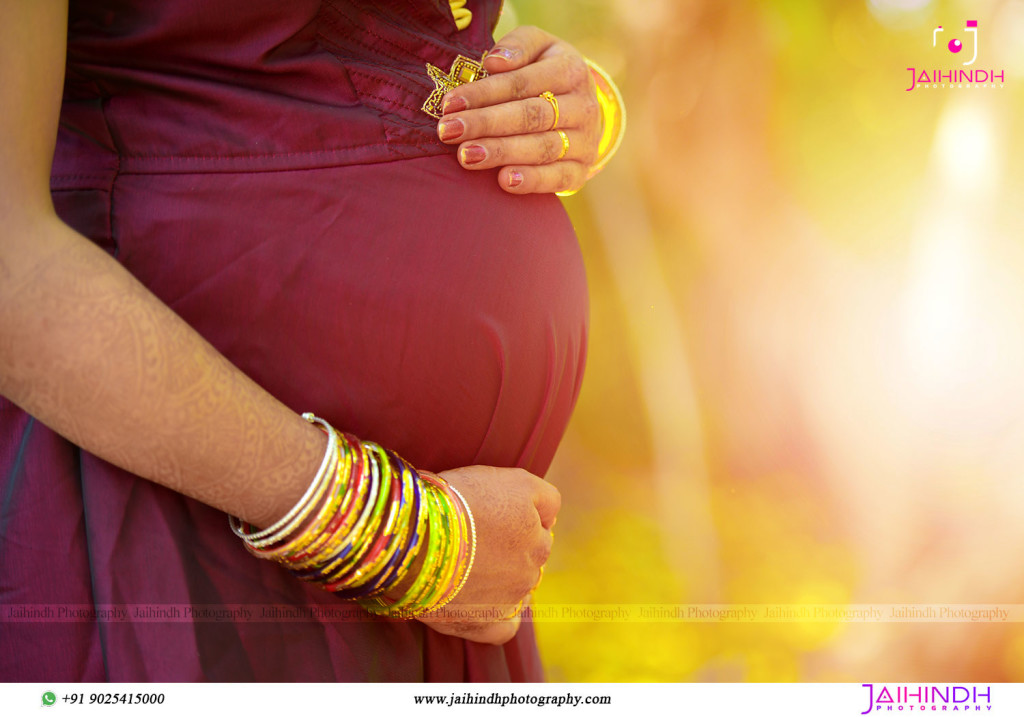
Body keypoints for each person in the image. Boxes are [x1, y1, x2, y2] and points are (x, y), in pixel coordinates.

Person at [0, 0, 620, 681]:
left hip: (462, 587)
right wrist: (402, 541)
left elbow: (388, 54)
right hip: (181, 540)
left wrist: (571, 106)